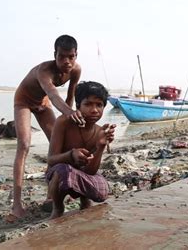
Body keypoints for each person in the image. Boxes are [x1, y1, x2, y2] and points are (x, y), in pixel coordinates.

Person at [10, 34, 85, 220]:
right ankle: (16, 205)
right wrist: (69, 112)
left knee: (57, 145)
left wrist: (67, 119)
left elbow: (70, 97)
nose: (66, 61)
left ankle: (51, 195)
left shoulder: (76, 70)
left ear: (76, 55)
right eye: (61, 57)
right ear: (55, 54)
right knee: (24, 145)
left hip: (43, 102)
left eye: (71, 57)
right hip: (24, 101)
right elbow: (53, 94)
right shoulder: (44, 70)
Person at [46, 81, 115, 219]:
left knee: (102, 191)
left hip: (82, 173)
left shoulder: (98, 131)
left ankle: (85, 202)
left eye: (99, 105)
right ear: (78, 106)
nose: (94, 110)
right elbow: (51, 159)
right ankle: (58, 208)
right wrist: (71, 155)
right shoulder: (64, 122)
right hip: (58, 174)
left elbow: (91, 171)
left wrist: (101, 146)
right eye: (88, 104)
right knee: (63, 170)